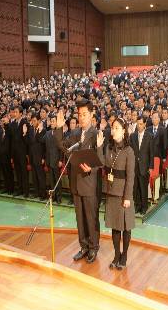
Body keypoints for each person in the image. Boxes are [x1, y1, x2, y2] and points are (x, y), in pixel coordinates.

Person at [55, 100, 101, 263]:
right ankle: (83, 246)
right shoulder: (74, 134)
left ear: (91, 115)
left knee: (91, 217)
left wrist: (92, 169)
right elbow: (62, 145)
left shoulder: (96, 135)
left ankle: (93, 247)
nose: (81, 118)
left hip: (89, 182)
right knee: (80, 218)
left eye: (84, 115)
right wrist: (59, 128)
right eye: (79, 115)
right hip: (76, 181)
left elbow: (101, 160)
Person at [97, 117, 135, 270]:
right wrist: (99, 147)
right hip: (111, 192)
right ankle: (116, 255)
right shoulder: (108, 148)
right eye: (112, 128)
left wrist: (127, 197)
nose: (113, 130)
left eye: (117, 128)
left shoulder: (129, 151)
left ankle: (124, 255)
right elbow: (101, 164)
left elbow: (130, 176)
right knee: (114, 226)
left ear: (124, 131)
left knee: (125, 227)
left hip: (123, 195)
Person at [130, 116, 154, 215]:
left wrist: (151, 167)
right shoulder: (133, 136)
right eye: (138, 124)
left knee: (143, 188)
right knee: (135, 188)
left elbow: (152, 153)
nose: (139, 126)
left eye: (141, 124)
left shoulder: (149, 136)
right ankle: (137, 205)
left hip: (145, 166)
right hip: (135, 166)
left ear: (144, 124)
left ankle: (144, 206)